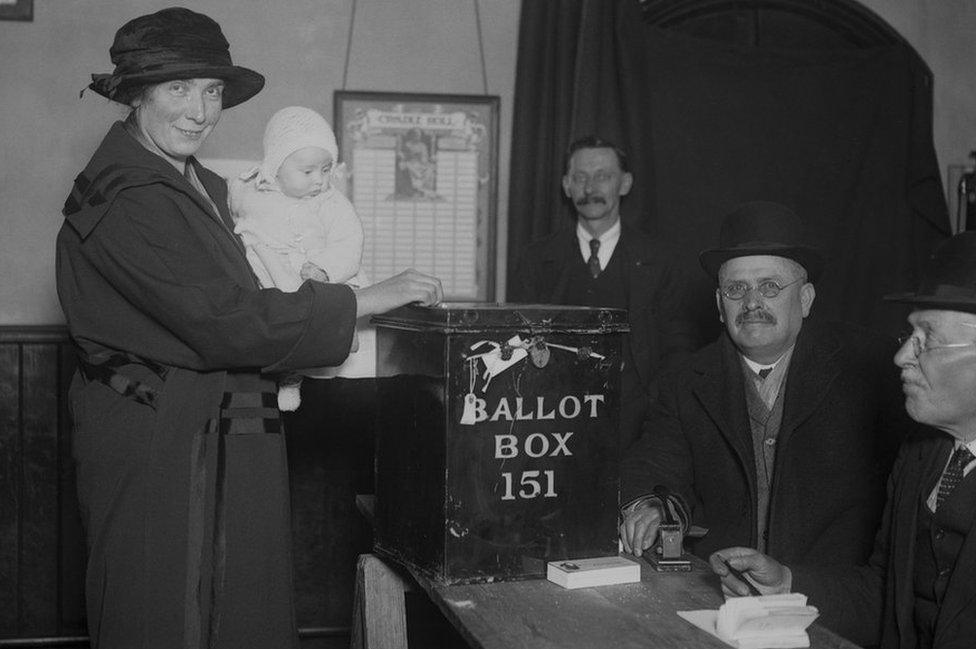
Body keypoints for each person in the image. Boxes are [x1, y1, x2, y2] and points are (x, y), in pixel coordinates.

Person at [56, 8, 441, 649]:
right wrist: (365, 298)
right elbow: (225, 321)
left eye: (211, 91)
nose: (200, 110)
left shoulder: (199, 180)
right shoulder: (127, 194)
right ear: (135, 94)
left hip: (220, 427)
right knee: (157, 614)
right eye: (179, 88)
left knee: (235, 613)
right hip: (160, 439)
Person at [710, 231, 976, 649]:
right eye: (910, 337)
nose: (901, 356)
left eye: (927, 340)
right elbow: (883, 596)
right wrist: (787, 583)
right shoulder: (922, 460)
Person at [619, 201, 912, 571]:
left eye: (770, 287)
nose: (752, 302)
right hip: (721, 595)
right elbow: (653, 461)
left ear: (805, 300)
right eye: (736, 289)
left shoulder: (873, 370)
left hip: (834, 605)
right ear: (718, 305)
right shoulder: (684, 382)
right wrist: (650, 504)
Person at [508, 135, 697, 447]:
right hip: (552, 429)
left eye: (603, 176)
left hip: (638, 432)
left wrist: (657, 416)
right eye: (580, 177)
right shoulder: (535, 260)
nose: (590, 188)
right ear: (566, 185)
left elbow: (679, 351)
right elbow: (519, 345)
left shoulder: (662, 262)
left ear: (625, 183)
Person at [229, 106, 373, 410]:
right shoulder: (248, 188)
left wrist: (325, 267)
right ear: (275, 166)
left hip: (314, 273)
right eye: (307, 172)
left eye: (325, 170)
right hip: (267, 269)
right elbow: (229, 208)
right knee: (277, 324)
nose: (319, 180)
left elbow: (350, 242)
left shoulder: (332, 202)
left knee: (323, 320)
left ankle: (309, 368)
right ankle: (287, 374)